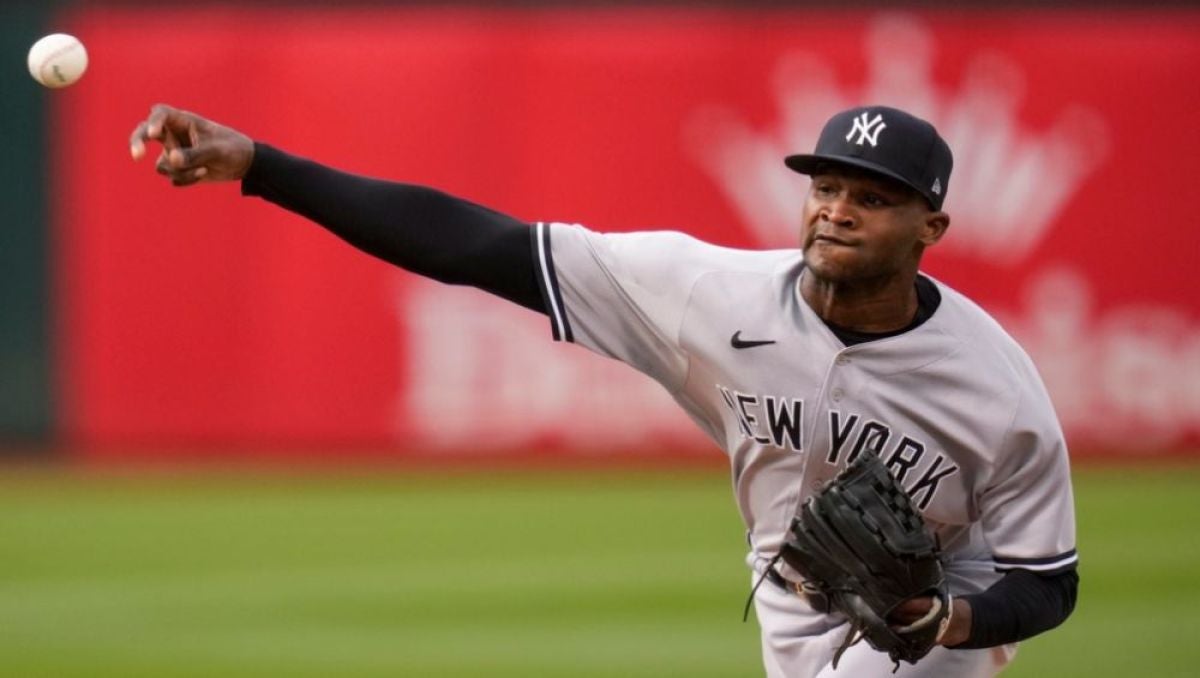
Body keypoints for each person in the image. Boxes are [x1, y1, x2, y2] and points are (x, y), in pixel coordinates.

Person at [129, 103, 1078, 677]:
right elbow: (475, 247)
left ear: (932, 226)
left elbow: (1048, 582)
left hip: (933, 614)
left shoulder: (995, 389)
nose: (836, 210)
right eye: (826, 186)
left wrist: (955, 617)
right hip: (785, 588)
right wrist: (263, 166)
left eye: (871, 198)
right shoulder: (707, 292)